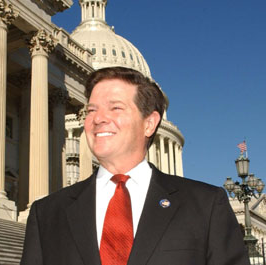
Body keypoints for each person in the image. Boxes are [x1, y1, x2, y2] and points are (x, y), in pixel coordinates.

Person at [21, 66, 250, 265]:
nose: (98, 119)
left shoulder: (205, 206)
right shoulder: (47, 214)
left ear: (149, 123)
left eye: (115, 108)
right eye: (91, 110)